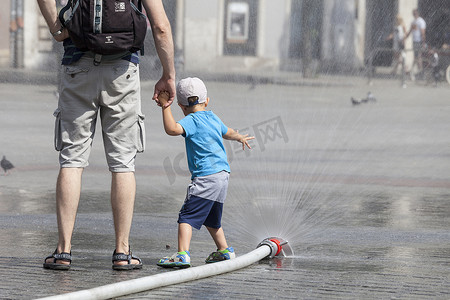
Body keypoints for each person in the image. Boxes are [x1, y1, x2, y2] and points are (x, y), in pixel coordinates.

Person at [37, 0, 176, 270]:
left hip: (77, 65)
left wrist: (56, 29)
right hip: (122, 70)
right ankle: (122, 252)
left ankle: (63, 251)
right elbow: (160, 27)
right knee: (123, 163)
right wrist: (168, 74)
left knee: (72, 160)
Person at [156, 77, 254, 268]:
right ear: (207, 101)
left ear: (181, 106)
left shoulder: (191, 120)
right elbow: (228, 132)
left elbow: (172, 129)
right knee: (212, 218)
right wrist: (240, 137)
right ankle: (224, 250)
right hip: (223, 174)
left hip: (206, 177)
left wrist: (164, 107)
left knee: (186, 216)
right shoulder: (213, 117)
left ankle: (182, 254)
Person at [404, 9, 427, 76]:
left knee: (418, 56)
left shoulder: (421, 21)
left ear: (417, 13)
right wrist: (405, 38)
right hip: (415, 41)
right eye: (413, 13)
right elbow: (410, 30)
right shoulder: (414, 22)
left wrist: (423, 42)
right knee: (417, 56)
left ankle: (419, 71)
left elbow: (422, 33)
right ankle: (416, 71)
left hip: (419, 41)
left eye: (415, 13)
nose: (414, 14)